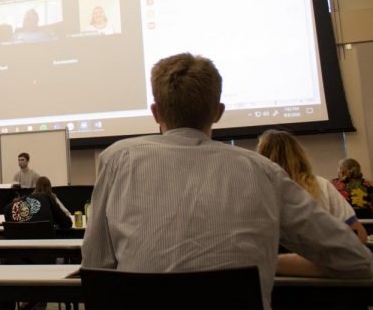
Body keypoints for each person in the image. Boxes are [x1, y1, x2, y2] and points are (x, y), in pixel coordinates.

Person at [82, 53, 372, 310]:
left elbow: (95, 266)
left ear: (156, 112)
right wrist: (270, 262)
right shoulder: (264, 172)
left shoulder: (117, 160)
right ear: (218, 112)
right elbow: (358, 261)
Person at [256, 130, 368, 244]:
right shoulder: (322, 185)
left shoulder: (252, 191)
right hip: (322, 259)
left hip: (272, 260)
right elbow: (358, 235)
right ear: (299, 154)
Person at [4, 176, 72, 229]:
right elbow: (67, 223)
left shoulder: (12, 206)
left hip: (20, 242)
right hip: (45, 242)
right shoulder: (49, 198)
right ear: (49, 188)